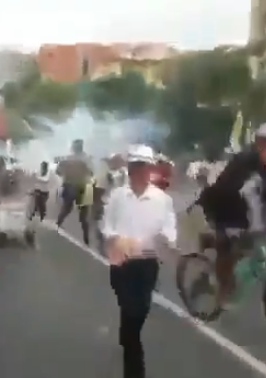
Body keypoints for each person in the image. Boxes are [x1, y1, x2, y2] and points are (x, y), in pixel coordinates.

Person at [196, 123, 266, 306]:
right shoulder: (249, 156)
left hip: (236, 205)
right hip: (221, 203)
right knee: (228, 248)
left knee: (243, 247)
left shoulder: (257, 160)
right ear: (257, 141)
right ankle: (222, 288)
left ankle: (213, 252)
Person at [101, 144, 177, 378]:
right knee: (128, 309)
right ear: (129, 168)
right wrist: (116, 239)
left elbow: (170, 228)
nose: (139, 170)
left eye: (143, 165)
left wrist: (167, 239)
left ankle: (133, 361)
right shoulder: (117, 196)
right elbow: (106, 225)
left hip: (147, 263)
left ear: (150, 168)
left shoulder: (162, 199)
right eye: (135, 165)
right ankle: (133, 363)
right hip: (121, 261)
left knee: (137, 313)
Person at [56, 139, 93, 245]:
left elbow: (58, 171)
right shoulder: (87, 159)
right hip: (84, 186)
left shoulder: (68, 159)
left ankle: (58, 225)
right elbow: (91, 172)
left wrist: (67, 175)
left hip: (72, 185)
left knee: (66, 208)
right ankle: (86, 238)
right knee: (84, 216)